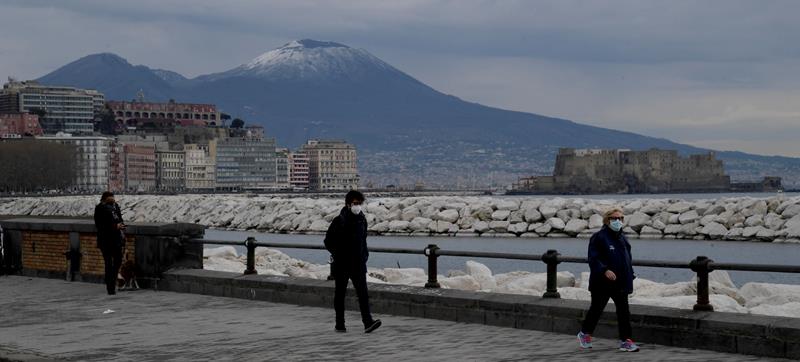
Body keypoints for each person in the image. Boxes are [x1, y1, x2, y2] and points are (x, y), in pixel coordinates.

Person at [577, 207, 640, 352]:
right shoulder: (599, 237)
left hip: (621, 281)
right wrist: (604, 270)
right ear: (607, 220)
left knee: (624, 312)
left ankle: (626, 341)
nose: (618, 221)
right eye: (615, 218)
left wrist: (631, 273)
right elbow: (593, 258)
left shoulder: (623, 238)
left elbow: (627, 259)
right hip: (602, 282)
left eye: (620, 219)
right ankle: (584, 334)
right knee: (597, 309)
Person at [324, 190, 381, 333]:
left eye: (360, 203)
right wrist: (338, 254)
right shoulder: (339, 221)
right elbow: (328, 241)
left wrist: (364, 255)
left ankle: (368, 322)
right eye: (355, 203)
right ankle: (339, 324)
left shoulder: (362, 220)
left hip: (359, 264)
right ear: (348, 204)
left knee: (363, 294)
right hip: (342, 264)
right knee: (340, 294)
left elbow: (364, 240)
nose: (358, 206)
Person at [93, 191, 126, 295]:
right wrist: (115, 227)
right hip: (105, 241)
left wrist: (121, 226)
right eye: (110, 197)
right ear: (105, 198)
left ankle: (112, 281)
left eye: (113, 197)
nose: (113, 198)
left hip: (116, 240)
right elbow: (100, 225)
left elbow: (120, 219)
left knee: (118, 261)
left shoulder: (115, 207)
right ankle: (110, 287)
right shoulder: (100, 208)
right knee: (108, 263)